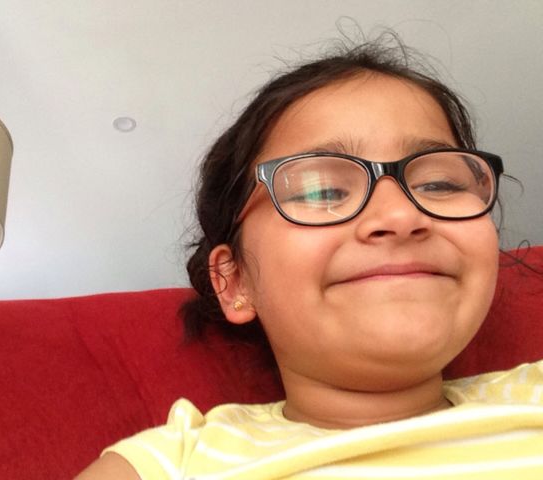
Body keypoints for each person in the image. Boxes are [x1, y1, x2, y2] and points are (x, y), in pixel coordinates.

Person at [76, 36, 543, 479]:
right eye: (323, 191)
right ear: (235, 282)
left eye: (439, 184)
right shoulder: (173, 463)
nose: (401, 215)